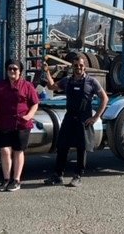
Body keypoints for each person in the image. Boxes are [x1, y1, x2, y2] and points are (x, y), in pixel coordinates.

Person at [43, 56, 108, 187]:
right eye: (76, 65)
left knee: (81, 148)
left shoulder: (91, 82)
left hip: (83, 120)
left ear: (84, 67)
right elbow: (52, 87)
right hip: (69, 117)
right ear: (72, 67)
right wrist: (47, 72)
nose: (78, 67)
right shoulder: (67, 80)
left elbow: (105, 98)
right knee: (62, 146)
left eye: (81, 65)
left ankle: (78, 176)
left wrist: (96, 117)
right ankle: (58, 176)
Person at [0, 58, 39, 192]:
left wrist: (28, 116)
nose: (12, 71)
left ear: (20, 71)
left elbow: (35, 103)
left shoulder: (27, 86)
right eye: (10, 68)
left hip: (21, 124)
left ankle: (16, 180)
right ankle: (5, 179)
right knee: (4, 150)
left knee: (18, 151)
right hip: (3, 122)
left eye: (15, 69)